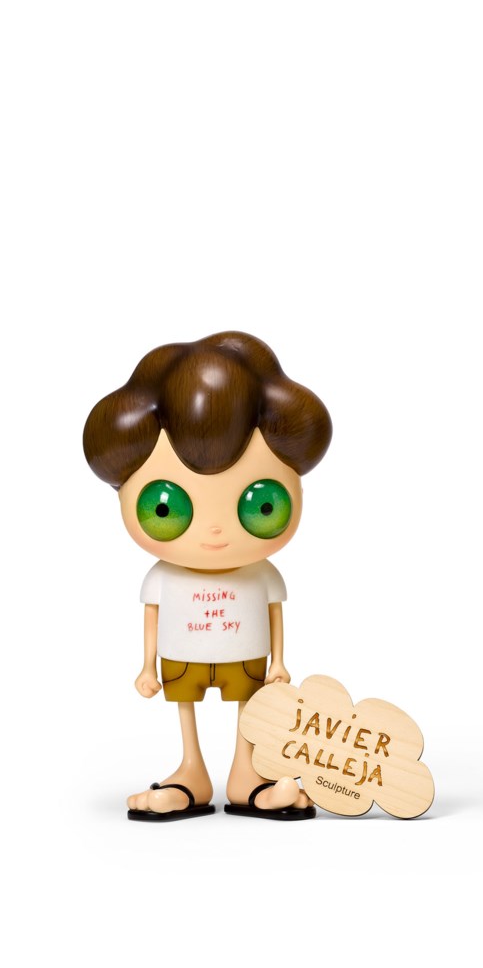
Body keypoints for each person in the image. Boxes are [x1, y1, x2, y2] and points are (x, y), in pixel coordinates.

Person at [83, 331, 332, 820]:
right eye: (167, 508)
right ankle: (190, 774)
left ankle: (248, 778)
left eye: (262, 505)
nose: (214, 531)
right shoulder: (164, 576)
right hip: (183, 657)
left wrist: (280, 661)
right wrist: (146, 666)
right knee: (186, 711)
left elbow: (274, 613)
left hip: (247, 656)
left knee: (250, 711)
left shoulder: (260, 573)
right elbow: (152, 616)